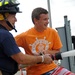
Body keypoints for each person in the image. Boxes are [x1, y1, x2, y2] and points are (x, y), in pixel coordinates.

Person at [15, 7, 75, 75]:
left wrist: (47, 52)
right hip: (35, 72)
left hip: (52, 68)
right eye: (45, 19)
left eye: (48, 19)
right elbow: (7, 45)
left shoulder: (53, 32)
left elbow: (58, 51)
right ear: (35, 21)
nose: (47, 22)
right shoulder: (25, 36)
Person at [0, 1, 53, 75]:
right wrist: (42, 58)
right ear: (2, 17)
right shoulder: (5, 35)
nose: (16, 20)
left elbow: (9, 63)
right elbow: (21, 59)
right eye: (13, 17)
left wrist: (34, 60)